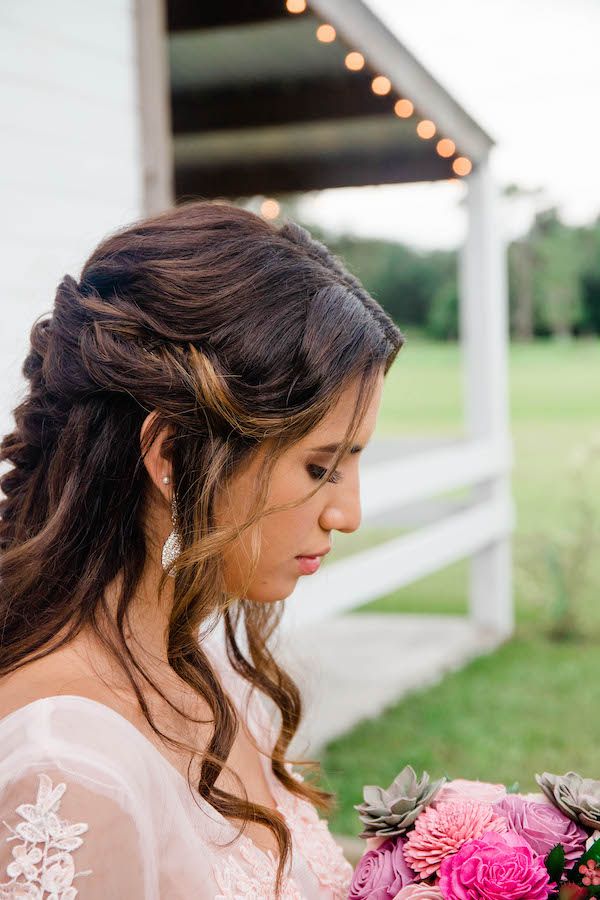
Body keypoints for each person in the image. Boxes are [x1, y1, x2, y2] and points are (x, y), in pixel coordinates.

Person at [0, 200, 404, 899]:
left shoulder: (204, 669)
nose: (349, 513)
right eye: (320, 466)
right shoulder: (66, 765)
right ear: (173, 456)